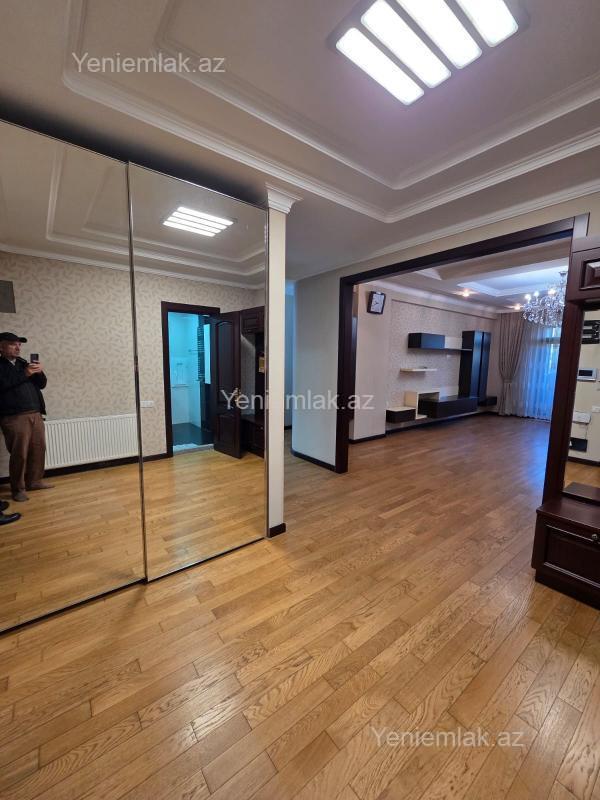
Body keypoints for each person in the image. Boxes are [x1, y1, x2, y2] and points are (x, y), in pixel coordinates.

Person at [0, 332, 53, 502]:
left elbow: (42, 384)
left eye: (19, 344)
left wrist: (39, 372)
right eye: (12, 344)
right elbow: (3, 384)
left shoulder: (23, 363)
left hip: (35, 413)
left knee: (38, 449)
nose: (17, 347)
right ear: (1, 347)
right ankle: (18, 489)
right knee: (19, 454)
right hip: (14, 417)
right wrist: (26, 374)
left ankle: (34, 482)